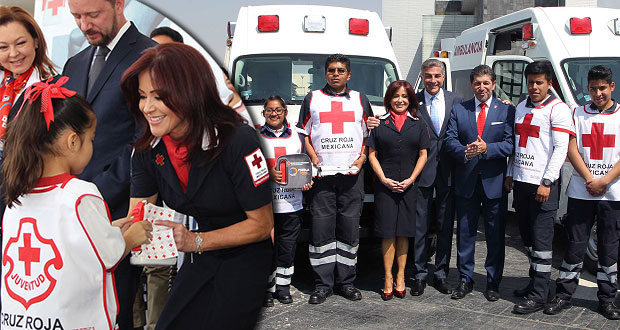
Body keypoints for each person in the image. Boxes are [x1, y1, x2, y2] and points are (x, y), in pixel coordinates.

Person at [120, 43, 273, 330]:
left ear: (189, 93)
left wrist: (196, 242)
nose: (147, 108)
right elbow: (137, 214)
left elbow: (261, 225)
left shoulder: (238, 141)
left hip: (245, 253)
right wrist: (107, 231)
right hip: (199, 251)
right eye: (142, 97)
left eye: (158, 97)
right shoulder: (147, 148)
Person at [0, 77, 152, 329]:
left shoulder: (16, 198)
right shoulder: (81, 194)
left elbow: (65, 241)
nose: (92, 146)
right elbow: (110, 255)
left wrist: (108, 229)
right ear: (72, 141)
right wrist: (132, 236)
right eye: (91, 139)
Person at [61, 1, 157, 327]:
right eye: (77, 17)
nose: (84, 24)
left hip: (116, 210)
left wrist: (92, 192)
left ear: (119, 5)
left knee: (114, 311)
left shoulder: (150, 57)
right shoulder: (74, 63)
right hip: (70, 211)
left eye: (93, 14)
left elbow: (145, 138)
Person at [297, 53, 373, 305]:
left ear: (349, 75)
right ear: (325, 73)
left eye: (341, 70)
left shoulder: (360, 99)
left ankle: (346, 282)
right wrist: (313, 158)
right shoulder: (313, 99)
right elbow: (304, 135)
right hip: (322, 178)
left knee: (350, 231)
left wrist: (362, 159)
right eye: (331, 70)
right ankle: (322, 284)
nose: (336, 74)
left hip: (351, 177)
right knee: (321, 232)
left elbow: (368, 135)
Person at [546, 65, 620, 320]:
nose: (597, 93)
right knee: (575, 246)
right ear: (587, 89)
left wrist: (605, 181)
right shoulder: (577, 113)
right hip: (581, 191)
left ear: (611, 87)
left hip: (612, 194)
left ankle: (607, 299)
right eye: (592, 89)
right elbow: (571, 148)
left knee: (609, 248)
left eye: (602, 88)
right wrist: (591, 179)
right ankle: (563, 294)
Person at [504, 61, 573, 314]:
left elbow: (560, 148)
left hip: (543, 186)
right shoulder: (521, 107)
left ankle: (540, 295)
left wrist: (547, 181)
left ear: (549, 83)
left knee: (543, 243)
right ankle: (535, 282)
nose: (534, 87)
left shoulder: (559, 109)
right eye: (530, 82)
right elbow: (517, 146)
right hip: (521, 183)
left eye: (539, 82)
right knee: (529, 240)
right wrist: (511, 173)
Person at [444, 64, 515, 301]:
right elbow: (449, 140)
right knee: (465, 233)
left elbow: (510, 144)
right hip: (466, 181)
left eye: (486, 83)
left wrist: (487, 149)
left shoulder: (506, 111)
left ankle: (493, 282)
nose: (481, 87)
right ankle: (465, 279)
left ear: (493, 84)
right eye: (477, 83)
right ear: (472, 85)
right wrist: (465, 151)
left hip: (494, 183)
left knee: (495, 235)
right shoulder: (460, 110)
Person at [366, 80, 429, 300]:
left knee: (404, 232)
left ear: (410, 99)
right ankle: (387, 277)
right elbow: (371, 154)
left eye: (404, 96)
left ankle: (401, 276)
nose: (400, 100)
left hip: (409, 187)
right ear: (389, 99)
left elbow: (423, 154)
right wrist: (383, 179)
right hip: (385, 187)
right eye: (395, 96)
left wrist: (411, 179)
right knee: (387, 233)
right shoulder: (378, 124)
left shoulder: (418, 123)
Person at [0, 6, 58, 217]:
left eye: (21, 43)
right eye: (3, 47)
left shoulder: (50, 90)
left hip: (28, 204)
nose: (13, 54)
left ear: (35, 41)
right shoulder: (1, 87)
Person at [258, 95, 312, 307]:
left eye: (278, 110)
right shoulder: (254, 137)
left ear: (285, 112)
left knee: (287, 247)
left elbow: (309, 163)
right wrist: (267, 173)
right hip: (265, 205)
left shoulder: (298, 136)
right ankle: (266, 289)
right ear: (264, 113)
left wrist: (308, 180)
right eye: (270, 110)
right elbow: (244, 170)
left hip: (292, 203)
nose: (274, 114)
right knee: (266, 248)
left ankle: (283, 287)